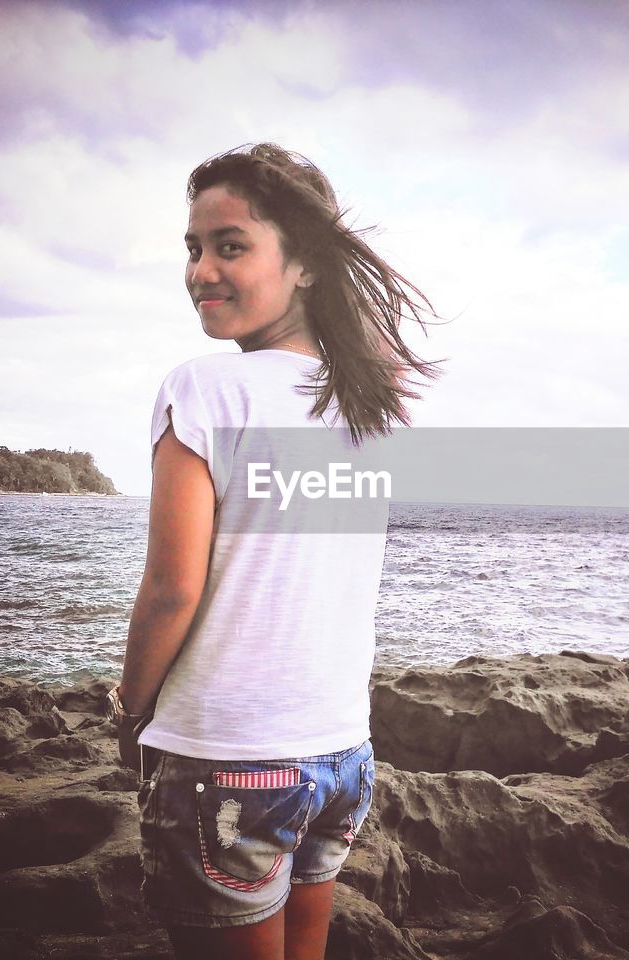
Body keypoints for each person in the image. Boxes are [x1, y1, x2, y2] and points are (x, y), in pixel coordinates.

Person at [109, 143, 438, 960]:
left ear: (304, 266)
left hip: (227, 755)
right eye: (193, 246)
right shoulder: (371, 411)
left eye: (230, 246)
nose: (200, 270)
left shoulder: (204, 389)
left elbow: (170, 590)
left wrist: (130, 712)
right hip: (339, 752)